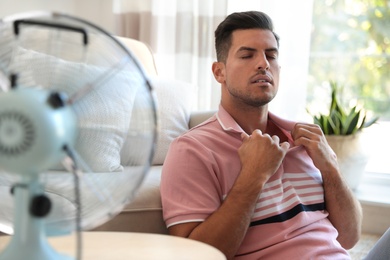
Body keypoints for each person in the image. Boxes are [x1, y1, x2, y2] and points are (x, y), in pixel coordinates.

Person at [160, 11, 386, 259]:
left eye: (271, 55)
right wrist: (253, 176)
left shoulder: (307, 139)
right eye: (247, 55)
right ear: (219, 72)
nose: (263, 63)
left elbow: (349, 237)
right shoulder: (191, 150)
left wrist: (330, 167)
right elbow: (195, 255)